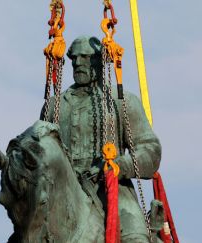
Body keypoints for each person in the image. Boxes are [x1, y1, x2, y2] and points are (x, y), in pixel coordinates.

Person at [40, 36, 161, 242]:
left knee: (135, 238)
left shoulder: (122, 101)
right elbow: (39, 151)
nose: (78, 62)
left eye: (85, 57)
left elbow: (151, 150)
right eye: (74, 58)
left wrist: (121, 165)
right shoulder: (54, 106)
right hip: (65, 196)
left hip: (113, 190)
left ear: (99, 60)